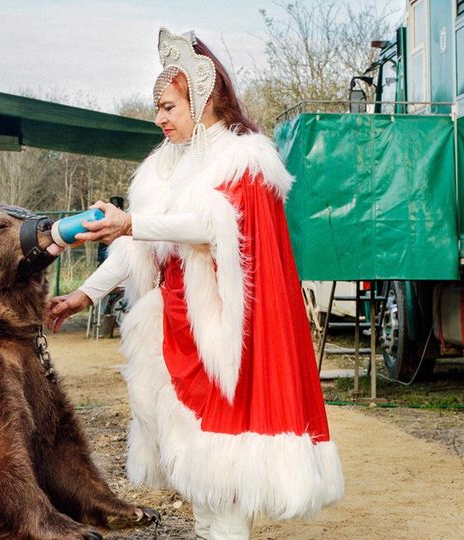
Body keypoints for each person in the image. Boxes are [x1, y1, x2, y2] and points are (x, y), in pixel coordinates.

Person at [46, 27, 343, 539]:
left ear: (202, 98)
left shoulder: (243, 161)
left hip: (223, 339)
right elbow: (138, 246)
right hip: (175, 335)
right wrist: (83, 294)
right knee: (199, 482)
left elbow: (212, 227)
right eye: (156, 108)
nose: (159, 118)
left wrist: (132, 223)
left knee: (223, 475)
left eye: (168, 107)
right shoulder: (165, 167)